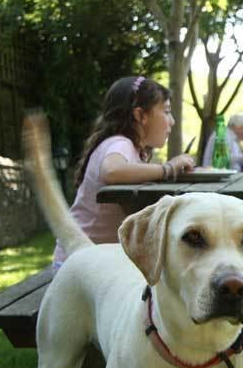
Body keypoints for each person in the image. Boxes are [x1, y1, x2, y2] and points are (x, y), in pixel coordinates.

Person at [52, 75, 195, 268]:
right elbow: (112, 171)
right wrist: (167, 169)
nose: (173, 121)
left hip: (85, 261)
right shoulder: (120, 143)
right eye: (166, 111)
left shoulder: (128, 149)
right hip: (78, 268)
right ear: (141, 115)